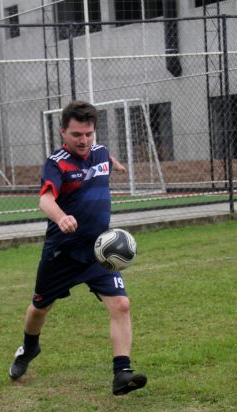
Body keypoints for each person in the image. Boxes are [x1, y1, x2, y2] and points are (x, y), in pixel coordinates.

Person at [8, 100, 147, 396]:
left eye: (88, 134)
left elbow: (103, 156)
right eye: (76, 135)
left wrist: (115, 163)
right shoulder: (56, 163)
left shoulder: (99, 151)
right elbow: (45, 199)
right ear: (62, 132)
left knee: (121, 304)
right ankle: (29, 348)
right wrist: (61, 217)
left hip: (99, 250)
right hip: (62, 253)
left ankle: (122, 372)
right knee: (39, 308)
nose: (83, 141)